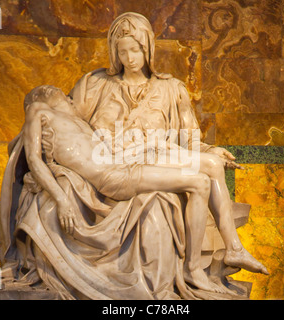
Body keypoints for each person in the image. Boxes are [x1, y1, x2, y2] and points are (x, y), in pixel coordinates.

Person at [69, 12, 268, 275]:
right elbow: (63, 121)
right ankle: (221, 255)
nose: (129, 58)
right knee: (204, 172)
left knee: (211, 163)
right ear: (114, 52)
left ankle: (233, 249)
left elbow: (190, 139)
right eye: (123, 51)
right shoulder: (96, 86)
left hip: (157, 155)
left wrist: (210, 149)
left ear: (148, 48)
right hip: (117, 163)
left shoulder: (172, 88)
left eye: (136, 50)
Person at [23, 84, 229, 293]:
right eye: (66, 97)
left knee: (209, 167)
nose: (71, 100)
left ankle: (230, 249)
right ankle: (192, 269)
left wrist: (157, 146)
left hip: (126, 163)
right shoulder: (39, 109)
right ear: (48, 94)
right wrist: (61, 199)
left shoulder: (81, 123)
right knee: (199, 183)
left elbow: (116, 148)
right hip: (115, 177)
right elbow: (33, 159)